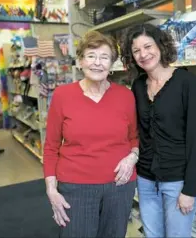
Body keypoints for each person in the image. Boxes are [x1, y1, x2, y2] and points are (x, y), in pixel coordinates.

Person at [43, 31, 139, 238]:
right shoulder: (63, 95)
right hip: (76, 187)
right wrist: (51, 190)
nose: (98, 63)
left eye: (104, 57)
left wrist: (133, 157)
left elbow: (134, 137)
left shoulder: (125, 96)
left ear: (112, 64)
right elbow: (51, 146)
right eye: (91, 56)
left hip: (119, 186)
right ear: (80, 61)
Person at [121, 23, 196, 238]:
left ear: (160, 45)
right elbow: (138, 131)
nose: (143, 54)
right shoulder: (138, 86)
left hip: (178, 180)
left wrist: (190, 190)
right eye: (136, 50)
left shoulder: (186, 82)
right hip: (147, 180)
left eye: (148, 46)